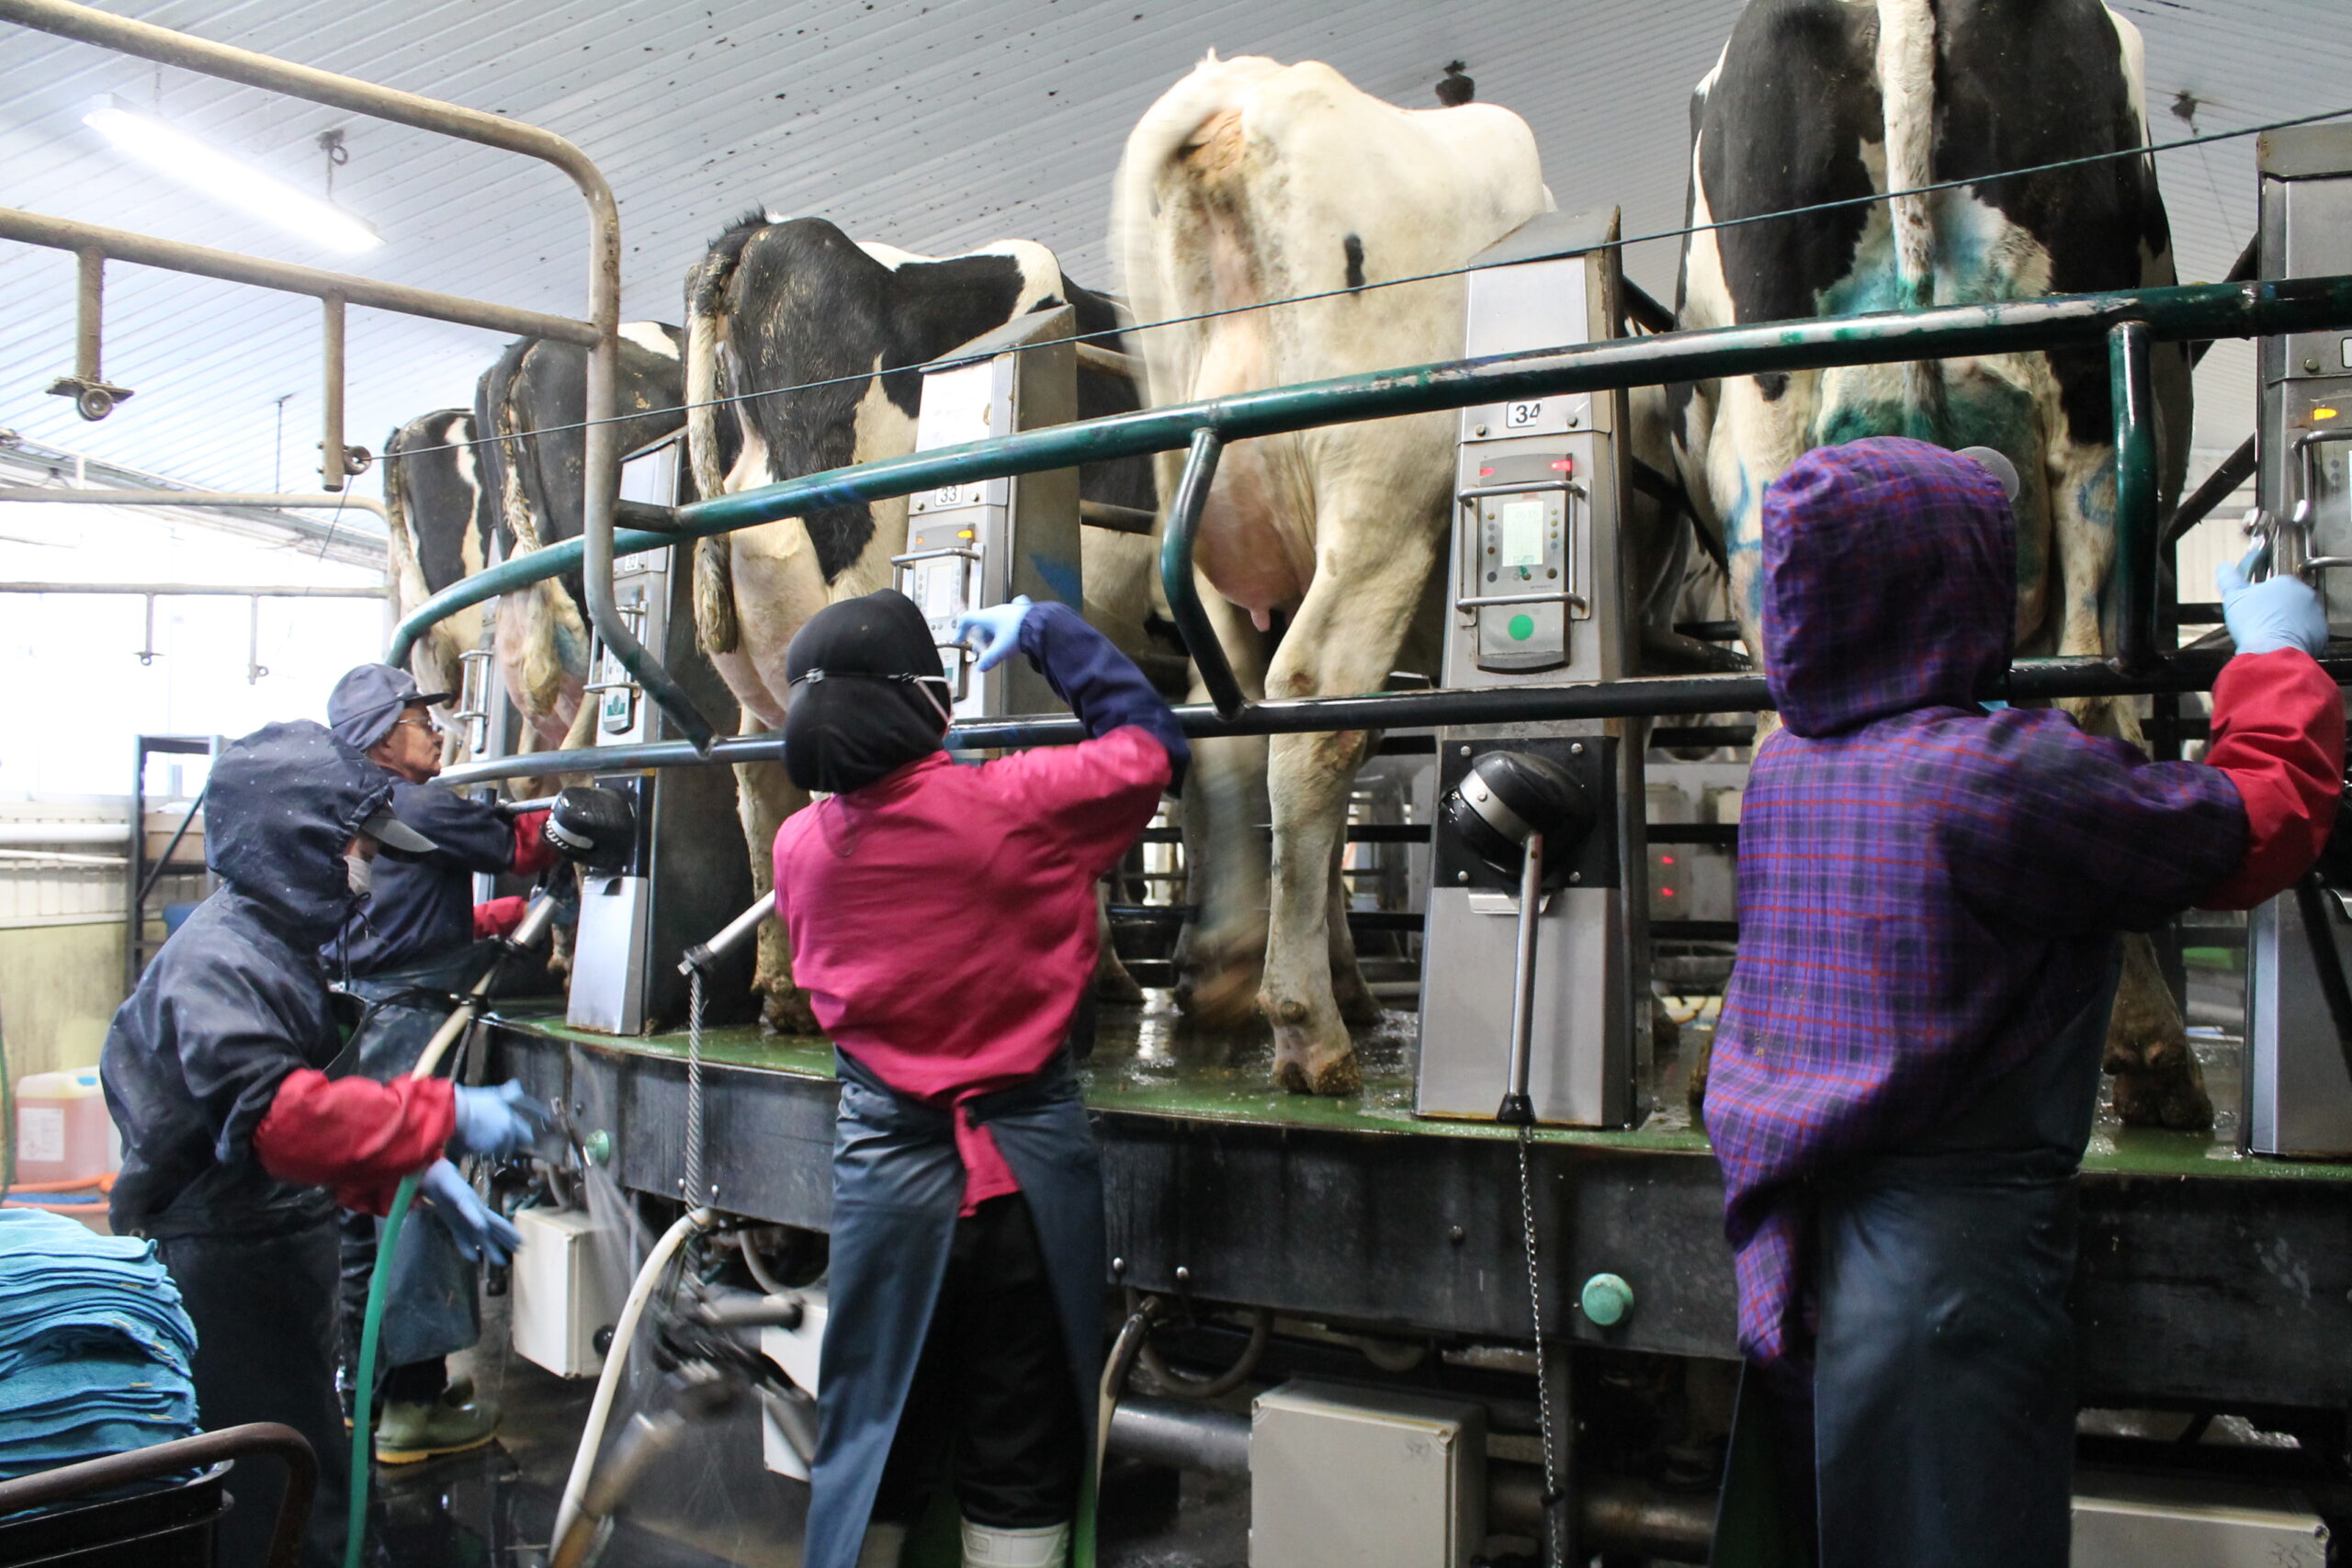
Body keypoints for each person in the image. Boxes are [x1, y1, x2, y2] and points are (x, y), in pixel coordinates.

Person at [1705, 437, 2344, 1567]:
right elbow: (2256, 824)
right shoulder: (2000, 774)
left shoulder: (1784, 770)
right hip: (1950, 1277)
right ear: (1945, 586)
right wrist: (2274, 663)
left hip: (1807, 1248)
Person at [770, 590, 1186, 1568]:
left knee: (877, 1431)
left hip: (885, 1186)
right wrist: (1046, 630)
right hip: (1023, 1187)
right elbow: (1151, 744)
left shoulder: (799, 848)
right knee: (1021, 1431)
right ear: (924, 700)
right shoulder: (1021, 803)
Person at [101, 720, 543, 1568]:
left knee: (307, 1479)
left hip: (268, 1247)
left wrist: (406, 1172)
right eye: (357, 846)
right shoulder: (221, 961)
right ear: (296, 842)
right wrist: (439, 1113)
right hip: (223, 1274)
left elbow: (289, 1139)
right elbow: (283, 1122)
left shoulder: (276, 946)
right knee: (269, 1505)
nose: (364, 867)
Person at [320, 663, 585, 1464]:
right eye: (418, 719)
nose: (435, 731)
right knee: (416, 1201)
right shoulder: (416, 801)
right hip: (407, 1026)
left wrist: (495, 919)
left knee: (366, 1208)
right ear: (379, 739)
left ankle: (361, 1394)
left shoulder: (352, 806)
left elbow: (402, 914)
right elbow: (520, 842)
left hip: (356, 1016)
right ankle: (415, 1403)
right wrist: (583, 814)